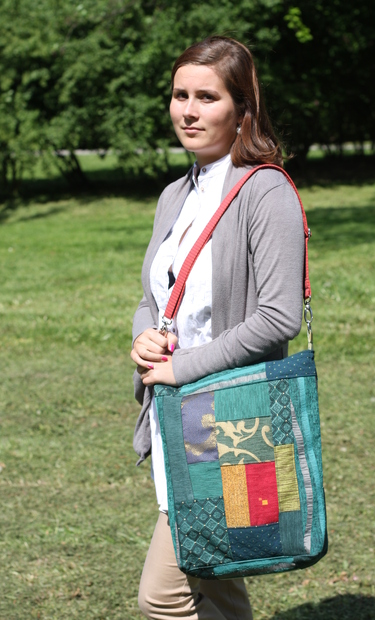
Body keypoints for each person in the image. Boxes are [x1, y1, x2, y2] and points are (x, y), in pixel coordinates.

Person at [130, 36, 304, 620]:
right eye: (180, 95)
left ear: (242, 109)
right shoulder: (176, 194)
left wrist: (181, 366)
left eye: (207, 97)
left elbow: (278, 317)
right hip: (177, 416)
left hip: (234, 426)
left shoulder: (266, 191)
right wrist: (145, 335)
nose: (189, 110)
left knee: (164, 596)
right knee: (218, 581)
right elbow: (155, 296)